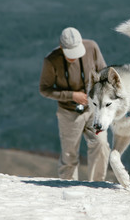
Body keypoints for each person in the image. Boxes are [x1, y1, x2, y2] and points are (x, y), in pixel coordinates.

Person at [39, 27, 110, 181]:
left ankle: (97, 185)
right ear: (61, 47)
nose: (73, 58)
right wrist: (72, 95)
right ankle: (67, 189)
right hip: (68, 113)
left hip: (93, 110)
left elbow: (104, 73)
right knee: (69, 155)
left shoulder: (92, 47)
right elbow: (44, 90)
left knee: (100, 144)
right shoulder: (51, 61)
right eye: (69, 54)